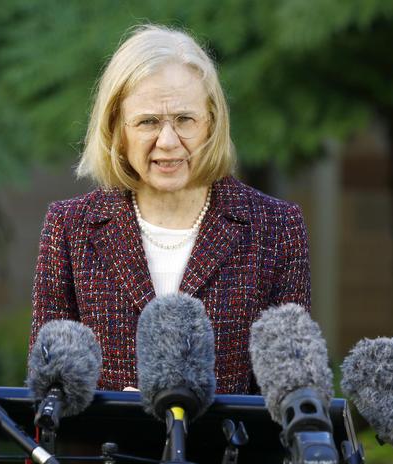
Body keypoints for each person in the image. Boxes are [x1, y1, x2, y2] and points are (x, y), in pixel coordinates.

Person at [29, 24, 310, 395]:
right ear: (117, 130)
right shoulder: (70, 228)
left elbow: (289, 391)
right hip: (105, 452)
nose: (168, 141)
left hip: (226, 452)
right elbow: (47, 392)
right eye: (148, 122)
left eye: (184, 120)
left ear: (211, 123)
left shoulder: (276, 229)